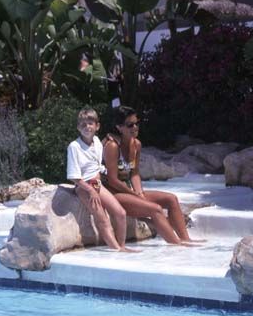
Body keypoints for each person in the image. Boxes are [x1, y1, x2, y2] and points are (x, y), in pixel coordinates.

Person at [102, 106, 205, 245]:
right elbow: (112, 180)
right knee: (155, 209)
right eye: (130, 125)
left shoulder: (136, 144)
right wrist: (134, 195)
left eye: (137, 123)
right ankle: (177, 244)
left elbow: (134, 173)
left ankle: (185, 239)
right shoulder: (112, 146)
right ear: (119, 127)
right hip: (114, 194)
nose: (135, 127)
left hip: (128, 191)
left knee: (171, 199)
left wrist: (139, 192)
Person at [67, 108, 140, 253]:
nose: (87, 127)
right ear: (78, 127)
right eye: (83, 124)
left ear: (97, 126)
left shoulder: (97, 142)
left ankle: (122, 246)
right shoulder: (74, 147)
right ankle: (116, 249)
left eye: (90, 123)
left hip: (97, 184)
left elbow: (99, 166)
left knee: (120, 213)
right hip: (84, 186)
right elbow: (74, 177)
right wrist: (90, 190)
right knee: (102, 219)